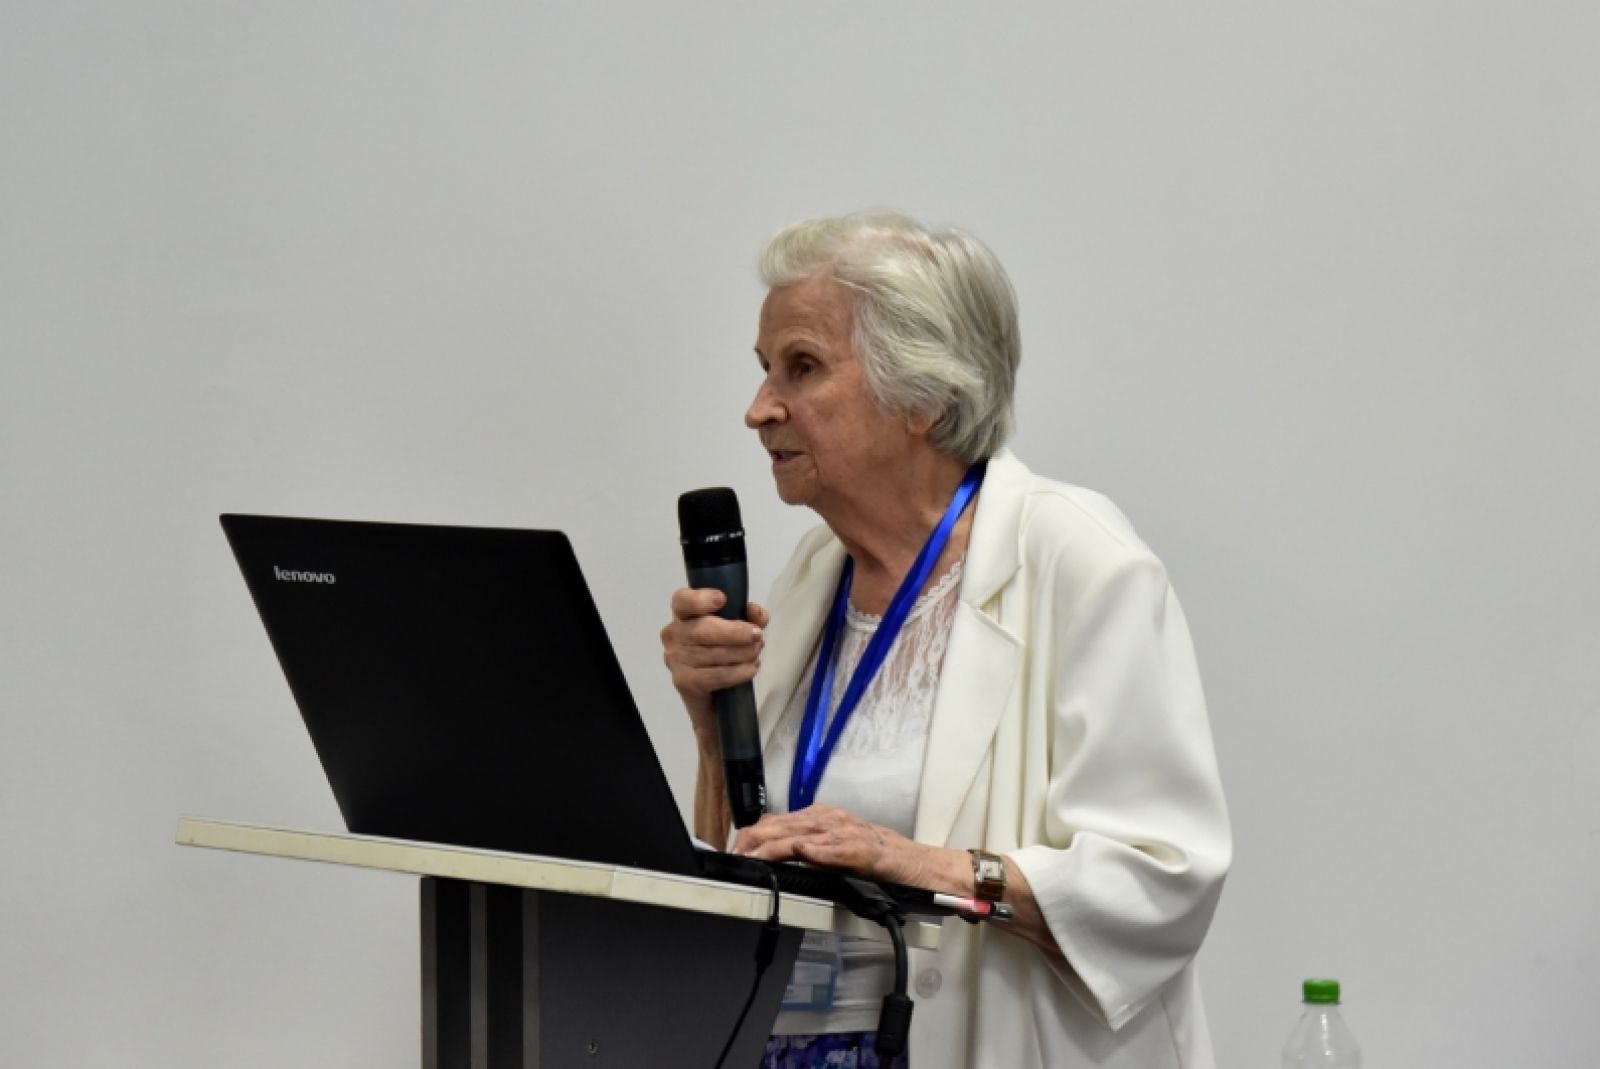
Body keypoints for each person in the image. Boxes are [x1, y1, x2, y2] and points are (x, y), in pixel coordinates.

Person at [661, 212, 1231, 1069]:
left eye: (802, 367)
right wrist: (713, 729)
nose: (758, 408)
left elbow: (1164, 878)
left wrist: (914, 862)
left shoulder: (1081, 562)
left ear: (923, 396)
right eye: (763, 367)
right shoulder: (814, 572)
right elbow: (742, 859)